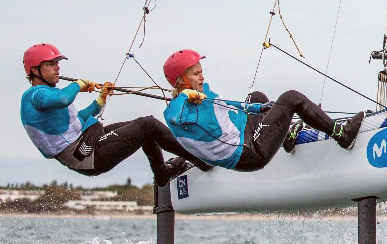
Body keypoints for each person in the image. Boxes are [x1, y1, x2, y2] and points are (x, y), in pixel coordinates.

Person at [19, 43, 211, 186]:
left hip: (85, 141)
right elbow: (63, 99)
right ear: (35, 70)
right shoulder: (34, 96)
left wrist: (100, 100)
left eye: (57, 63)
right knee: (147, 125)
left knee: (144, 126)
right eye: (51, 64)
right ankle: (202, 160)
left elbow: (76, 122)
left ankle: (161, 174)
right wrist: (78, 84)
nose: (58, 68)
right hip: (85, 155)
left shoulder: (47, 96)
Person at [161, 49, 363, 172]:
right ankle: (343, 135)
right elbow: (173, 116)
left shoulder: (204, 90)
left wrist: (259, 108)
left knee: (257, 96)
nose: (202, 77)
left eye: (201, 72)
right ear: (181, 80)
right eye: (196, 74)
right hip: (247, 153)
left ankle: (286, 138)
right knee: (291, 98)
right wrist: (186, 95)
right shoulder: (178, 112)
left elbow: (229, 106)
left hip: (242, 133)